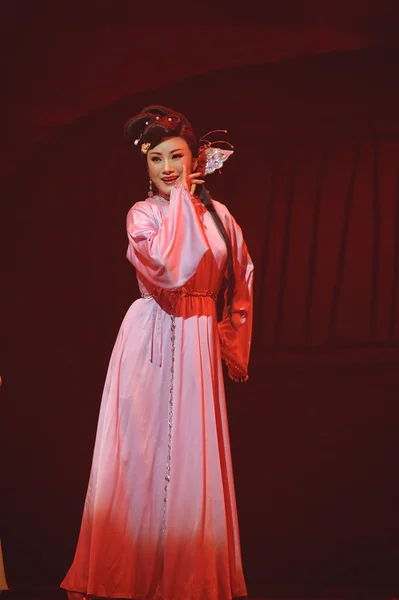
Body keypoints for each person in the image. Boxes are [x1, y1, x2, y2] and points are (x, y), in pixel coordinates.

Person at [61, 105, 254, 600]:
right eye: (156, 159)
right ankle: (131, 576)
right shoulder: (144, 214)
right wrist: (183, 207)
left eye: (176, 156)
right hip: (151, 337)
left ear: (195, 161)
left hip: (197, 338)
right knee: (141, 454)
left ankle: (188, 580)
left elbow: (241, 281)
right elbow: (167, 268)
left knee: (193, 455)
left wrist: (229, 341)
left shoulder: (220, 216)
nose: (167, 168)